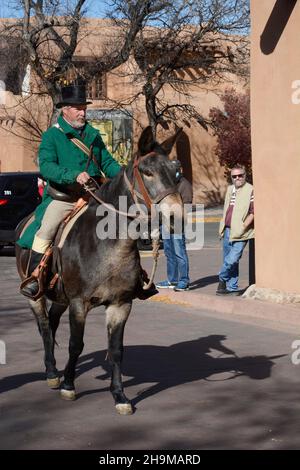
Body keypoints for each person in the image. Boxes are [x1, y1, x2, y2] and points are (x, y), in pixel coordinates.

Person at [18, 82, 121, 298]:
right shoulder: (52, 136)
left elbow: (108, 163)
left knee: (120, 226)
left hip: (93, 196)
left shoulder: (93, 135)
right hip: (64, 197)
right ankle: (37, 277)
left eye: (84, 107)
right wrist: (73, 174)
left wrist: (125, 175)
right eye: (77, 108)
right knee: (46, 230)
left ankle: (130, 275)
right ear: (65, 109)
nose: (82, 111)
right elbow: (46, 167)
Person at [216, 164, 254, 295]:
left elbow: (253, 212)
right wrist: (222, 227)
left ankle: (221, 278)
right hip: (227, 229)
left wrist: (243, 227)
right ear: (231, 178)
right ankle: (232, 287)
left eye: (240, 175)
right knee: (231, 260)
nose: (237, 178)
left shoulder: (251, 190)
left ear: (245, 176)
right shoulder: (230, 189)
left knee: (232, 258)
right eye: (234, 176)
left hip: (242, 232)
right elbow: (226, 209)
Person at [156, 161, 192, 292]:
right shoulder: (167, 185)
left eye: (173, 170)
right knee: (169, 253)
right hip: (165, 223)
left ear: (180, 169)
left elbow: (186, 207)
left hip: (177, 224)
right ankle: (172, 280)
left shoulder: (184, 185)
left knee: (179, 253)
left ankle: (184, 281)